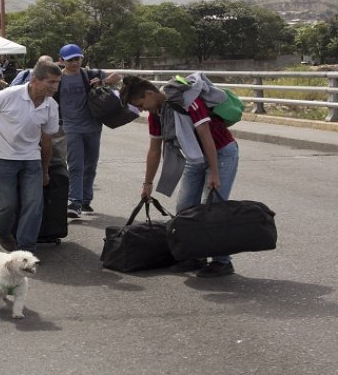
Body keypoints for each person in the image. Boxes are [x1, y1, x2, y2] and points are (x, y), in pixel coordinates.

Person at [119, 76, 239, 278]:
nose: (141, 110)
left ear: (149, 94)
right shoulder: (156, 115)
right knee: (185, 208)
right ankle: (194, 255)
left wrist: (215, 173)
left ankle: (222, 261)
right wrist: (147, 183)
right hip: (195, 157)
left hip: (221, 153)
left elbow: (205, 136)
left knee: (211, 208)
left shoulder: (188, 101)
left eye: (140, 105)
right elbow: (154, 150)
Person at [0, 60, 61, 254]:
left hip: (31, 159)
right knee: (8, 204)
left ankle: (26, 248)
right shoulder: (7, 96)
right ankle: (2, 231)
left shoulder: (51, 106)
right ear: (34, 80)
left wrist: (45, 170)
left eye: (57, 82)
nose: (55, 87)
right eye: (51, 82)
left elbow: (47, 141)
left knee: (34, 204)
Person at [56, 44, 121, 219]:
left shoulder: (89, 74)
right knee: (75, 165)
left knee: (90, 166)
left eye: (78, 58)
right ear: (61, 61)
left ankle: (85, 199)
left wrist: (104, 81)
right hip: (71, 127)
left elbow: (118, 75)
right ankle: (75, 202)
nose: (75, 62)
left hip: (93, 126)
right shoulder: (58, 78)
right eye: (70, 60)